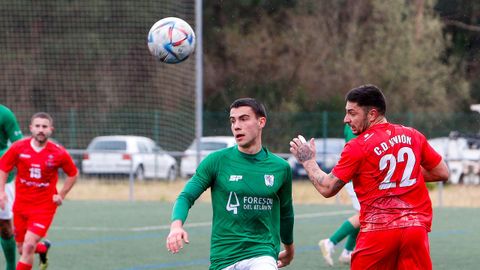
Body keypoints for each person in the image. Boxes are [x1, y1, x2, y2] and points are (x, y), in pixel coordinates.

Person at [290, 85, 449, 269]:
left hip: (378, 232)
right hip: (415, 229)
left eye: (352, 113)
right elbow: (442, 172)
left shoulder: (357, 146)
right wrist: (401, 173)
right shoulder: (413, 135)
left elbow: (327, 188)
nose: (345, 119)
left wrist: (308, 161)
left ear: (372, 114)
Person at [166, 98, 295, 270]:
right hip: (223, 258)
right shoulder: (216, 161)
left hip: (262, 253)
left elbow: (286, 212)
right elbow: (186, 196)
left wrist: (289, 249)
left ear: (261, 121)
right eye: (233, 121)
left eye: (244, 119)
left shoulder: (281, 168)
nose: (236, 126)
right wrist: (176, 226)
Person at [0, 112, 78, 270]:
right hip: (21, 206)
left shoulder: (58, 153)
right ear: (31, 128)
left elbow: (73, 174)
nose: (41, 130)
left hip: (44, 207)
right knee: (23, 249)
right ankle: (42, 249)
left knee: (28, 246)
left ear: (51, 129)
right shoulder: (18, 148)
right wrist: (1, 192)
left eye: (44, 126)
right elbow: (3, 167)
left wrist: (61, 195)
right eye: (37, 126)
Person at [318, 124, 360, 266]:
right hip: (356, 177)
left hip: (357, 176)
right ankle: (330, 242)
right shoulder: (356, 122)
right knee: (365, 215)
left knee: (362, 215)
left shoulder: (354, 122)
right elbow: (357, 150)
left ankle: (347, 252)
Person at [0, 105, 23, 270]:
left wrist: (3, 157)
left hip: (2, 176)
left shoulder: (5, 114)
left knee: (5, 227)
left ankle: (10, 265)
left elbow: (19, 145)